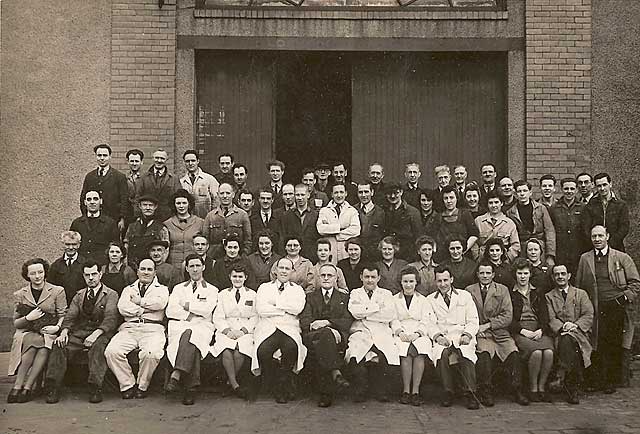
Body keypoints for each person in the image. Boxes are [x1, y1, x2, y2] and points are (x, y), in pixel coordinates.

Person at [575, 225, 640, 392]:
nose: (597, 239)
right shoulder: (585, 258)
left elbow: (635, 283)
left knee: (613, 342)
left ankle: (611, 381)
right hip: (594, 306)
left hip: (615, 307)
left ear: (608, 236)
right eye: (594, 236)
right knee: (596, 342)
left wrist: (623, 298)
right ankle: (596, 380)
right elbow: (579, 284)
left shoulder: (622, 257)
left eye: (600, 236)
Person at [45, 260, 119, 404]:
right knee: (59, 344)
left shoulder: (110, 294)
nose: (91, 278)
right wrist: (64, 332)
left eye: (94, 274)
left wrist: (96, 334)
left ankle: (95, 388)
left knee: (98, 348)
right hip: (80, 333)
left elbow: (110, 319)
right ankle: (53, 387)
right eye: (87, 275)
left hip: (101, 333)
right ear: (83, 276)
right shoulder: (79, 295)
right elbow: (70, 316)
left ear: (100, 274)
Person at [465, 261, 529, 407]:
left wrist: (488, 325)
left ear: (493, 274)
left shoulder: (502, 289)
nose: (485, 276)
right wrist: (477, 328)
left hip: (500, 332)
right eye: (482, 273)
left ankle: (517, 389)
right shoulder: (469, 290)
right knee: (485, 354)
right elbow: (466, 314)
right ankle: (486, 391)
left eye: (488, 273)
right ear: (477, 274)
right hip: (480, 333)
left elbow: (507, 315)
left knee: (512, 352)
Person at [105, 258, 169, 399]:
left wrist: (139, 302)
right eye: (143, 269)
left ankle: (142, 386)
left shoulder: (162, 289)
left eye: (149, 269)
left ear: (155, 272)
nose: (146, 272)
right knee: (112, 351)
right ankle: (127, 384)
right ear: (138, 271)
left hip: (153, 328)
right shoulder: (128, 289)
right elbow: (123, 308)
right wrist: (143, 310)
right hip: (129, 327)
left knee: (151, 353)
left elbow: (159, 304)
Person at [7, 259, 67, 404]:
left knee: (41, 343)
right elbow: (16, 323)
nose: (37, 276)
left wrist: (57, 327)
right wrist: (28, 317)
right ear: (27, 275)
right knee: (36, 342)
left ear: (45, 272)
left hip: (49, 330)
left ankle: (22, 387)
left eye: (40, 272)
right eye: (33, 273)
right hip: (26, 331)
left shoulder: (57, 291)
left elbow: (63, 314)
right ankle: (23, 386)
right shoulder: (20, 294)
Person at [251, 258, 307, 404]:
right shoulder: (264, 288)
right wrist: (285, 308)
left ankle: (282, 383)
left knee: (291, 347)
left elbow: (297, 309)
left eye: (287, 268)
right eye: (281, 268)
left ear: (292, 272)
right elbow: (261, 309)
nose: (283, 271)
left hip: (289, 326)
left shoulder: (297, 289)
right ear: (275, 270)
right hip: (268, 326)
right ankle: (277, 382)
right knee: (262, 351)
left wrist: (275, 304)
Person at [424, 265, 480, 410]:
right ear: (435, 281)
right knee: (441, 354)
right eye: (439, 281)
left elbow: (473, 319)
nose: (443, 284)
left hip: (462, 334)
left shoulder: (464, 296)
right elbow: (429, 323)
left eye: (445, 280)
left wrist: (467, 334)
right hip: (443, 336)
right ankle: (447, 392)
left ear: (452, 279)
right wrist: (437, 337)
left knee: (466, 353)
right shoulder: (430, 299)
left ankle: (470, 393)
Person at [165, 254, 218, 405]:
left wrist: (186, 305)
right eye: (192, 266)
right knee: (189, 339)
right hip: (181, 324)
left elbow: (207, 310)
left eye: (198, 265)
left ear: (204, 267)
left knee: (192, 335)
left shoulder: (212, 290)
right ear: (187, 269)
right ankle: (191, 388)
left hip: (203, 325)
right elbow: (171, 311)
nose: (195, 269)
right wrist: (190, 315)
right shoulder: (178, 288)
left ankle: (176, 374)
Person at [300, 263, 352, 407]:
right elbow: (305, 321)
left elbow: (348, 320)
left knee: (326, 337)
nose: (326, 278)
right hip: (313, 336)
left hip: (337, 335)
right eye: (323, 275)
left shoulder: (345, 297)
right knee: (325, 337)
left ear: (336, 278)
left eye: (330, 275)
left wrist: (327, 323)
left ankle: (326, 393)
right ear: (318, 277)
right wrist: (317, 326)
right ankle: (335, 372)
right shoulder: (310, 297)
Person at [345, 263, 399, 403]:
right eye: (367, 277)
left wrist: (365, 313)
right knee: (355, 354)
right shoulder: (355, 293)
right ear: (361, 277)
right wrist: (376, 307)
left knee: (383, 354)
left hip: (381, 331)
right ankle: (361, 389)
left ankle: (380, 390)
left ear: (378, 278)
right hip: (360, 330)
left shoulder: (386, 294)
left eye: (373, 277)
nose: (370, 280)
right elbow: (355, 312)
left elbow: (389, 315)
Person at [546, 264, 594, 404]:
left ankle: (561, 375)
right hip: (559, 334)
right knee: (567, 342)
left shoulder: (581, 294)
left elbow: (588, 314)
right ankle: (573, 388)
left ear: (569, 275)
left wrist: (576, 324)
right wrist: (561, 327)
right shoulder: (549, 296)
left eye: (563, 273)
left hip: (579, 333)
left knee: (570, 342)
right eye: (557, 274)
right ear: (553, 277)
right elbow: (551, 318)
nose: (560, 277)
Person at [509, 258, 554, 402]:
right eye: (520, 273)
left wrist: (541, 330)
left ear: (530, 275)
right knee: (535, 353)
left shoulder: (538, 292)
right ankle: (533, 388)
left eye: (525, 273)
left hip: (538, 329)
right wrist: (523, 332)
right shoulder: (511, 293)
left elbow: (544, 315)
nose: (522, 276)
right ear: (515, 274)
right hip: (521, 331)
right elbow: (509, 319)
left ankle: (542, 387)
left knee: (548, 352)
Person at [211, 264, 258, 400]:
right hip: (226, 329)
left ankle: (229, 383)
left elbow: (255, 316)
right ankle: (235, 385)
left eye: (240, 277)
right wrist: (227, 331)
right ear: (230, 277)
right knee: (226, 348)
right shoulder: (223, 294)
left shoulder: (252, 294)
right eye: (234, 276)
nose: (237, 279)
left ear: (245, 278)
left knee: (240, 350)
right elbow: (218, 316)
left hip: (245, 330)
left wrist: (243, 331)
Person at [391, 266, 433, 406]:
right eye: (405, 281)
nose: (408, 285)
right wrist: (400, 332)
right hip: (401, 332)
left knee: (419, 352)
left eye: (411, 281)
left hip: (419, 333)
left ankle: (415, 391)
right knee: (406, 353)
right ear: (401, 282)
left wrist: (417, 333)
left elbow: (426, 320)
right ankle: (406, 391)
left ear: (416, 282)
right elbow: (393, 318)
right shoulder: (394, 299)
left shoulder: (423, 300)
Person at [506, 180, 556, 267]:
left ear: (530, 193)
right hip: (522, 247)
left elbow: (550, 231)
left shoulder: (540, 208)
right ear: (515, 194)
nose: (522, 194)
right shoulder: (511, 212)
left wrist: (550, 255)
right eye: (519, 191)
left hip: (540, 246)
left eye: (525, 191)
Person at [80, 144, 128, 233]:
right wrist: (85, 216)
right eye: (99, 155)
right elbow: (83, 198)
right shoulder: (90, 176)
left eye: (105, 155)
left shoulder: (119, 177)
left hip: (113, 218)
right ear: (96, 157)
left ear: (110, 157)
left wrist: (122, 219)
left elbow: (124, 199)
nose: (102, 158)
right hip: (93, 219)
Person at [549, 177, 588, 275]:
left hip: (578, 251)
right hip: (560, 252)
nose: (569, 191)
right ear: (561, 189)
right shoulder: (553, 208)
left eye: (572, 189)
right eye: (566, 189)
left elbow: (586, 230)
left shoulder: (584, 208)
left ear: (576, 190)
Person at [581, 172, 629, 252]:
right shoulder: (591, 204)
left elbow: (624, 227)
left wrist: (610, 243)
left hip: (616, 247)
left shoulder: (621, 205)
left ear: (610, 184)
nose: (602, 188)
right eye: (599, 186)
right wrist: (596, 243)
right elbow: (586, 227)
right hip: (595, 248)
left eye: (604, 184)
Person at [71, 190, 120, 266]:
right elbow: (72, 244)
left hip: (102, 265)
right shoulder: (77, 223)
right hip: (81, 265)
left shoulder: (110, 223)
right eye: (89, 199)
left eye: (95, 199)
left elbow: (115, 245)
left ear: (101, 201)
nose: (92, 202)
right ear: (85, 202)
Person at [203, 183, 252, 258]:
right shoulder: (210, 216)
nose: (225, 196)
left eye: (228, 193)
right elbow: (205, 240)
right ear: (218, 194)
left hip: (237, 259)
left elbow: (248, 241)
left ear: (233, 195)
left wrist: (243, 256)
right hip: (215, 258)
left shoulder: (242, 215)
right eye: (222, 193)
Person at [317, 183, 361, 264]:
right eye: (336, 192)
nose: (339, 195)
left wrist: (334, 234)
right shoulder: (324, 210)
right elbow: (321, 229)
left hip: (345, 250)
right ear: (332, 194)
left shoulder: (352, 210)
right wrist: (340, 227)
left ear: (346, 193)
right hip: (330, 249)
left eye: (341, 192)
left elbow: (356, 230)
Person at [123, 193, 169, 269]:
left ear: (155, 207)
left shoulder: (161, 228)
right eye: (145, 205)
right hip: (133, 267)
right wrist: (127, 265)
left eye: (150, 205)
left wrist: (158, 267)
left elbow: (166, 250)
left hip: (151, 268)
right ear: (140, 206)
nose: (148, 208)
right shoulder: (132, 227)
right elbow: (126, 247)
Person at [434, 185, 478, 262]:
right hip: (444, 257)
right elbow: (432, 237)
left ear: (456, 198)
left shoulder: (465, 214)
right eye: (445, 198)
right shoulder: (438, 217)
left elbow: (474, 234)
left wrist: (462, 250)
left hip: (463, 255)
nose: (449, 201)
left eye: (451, 197)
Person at [135, 149, 181, 222]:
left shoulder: (174, 179)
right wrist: (138, 216)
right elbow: (137, 197)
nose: (159, 160)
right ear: (153, 158)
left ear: (166, 160)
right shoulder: (143, 177)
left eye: (162, 158)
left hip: (167, 218)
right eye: (157, 158)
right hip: (147, 217)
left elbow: (179, 198)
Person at [475, 190, 520, 262]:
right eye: (490, 203)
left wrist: (507, 259)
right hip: (483, 261)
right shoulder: (479, 221)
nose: (493, 205)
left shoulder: (509, 223)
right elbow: (474, 242)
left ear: (501, 203)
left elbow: (516, 245)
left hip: (502, 260)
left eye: (496, 202)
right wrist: (477, 258)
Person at [164, 189, 205, 268]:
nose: (181, 206)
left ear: (189, 204)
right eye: (178, 203)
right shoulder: (167, 224)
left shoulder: (200, 223)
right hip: (172, 265)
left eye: (184, 203)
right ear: (174, 205)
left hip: (193, 265)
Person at [279, 184, 320, 262]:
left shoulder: (315, 215)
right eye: (297, 195)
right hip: (292, 256)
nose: (300, 198)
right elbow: (282, 237)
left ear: (308, 195)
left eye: (302, 195)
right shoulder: (286, 215)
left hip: (311, 256)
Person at [383, 182, 422, 261]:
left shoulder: (412, 212)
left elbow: (418, 236)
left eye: (396, 193)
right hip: (389, 254)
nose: (393, 196)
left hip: (407, 255)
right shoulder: (384, 211)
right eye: (389, 193)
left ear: (401, 192)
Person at [47, 231, 88, 304]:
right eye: (67, 244)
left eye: (74, 244)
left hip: (80, 304)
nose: (71, 247)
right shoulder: (55, 265)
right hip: (61, 304)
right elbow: (50, 287)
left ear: (79, 245)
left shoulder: (85, 264)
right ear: (63, 245)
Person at [179, 150, 219, 218]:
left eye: (193, 160)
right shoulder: (181, 182)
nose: (190, 163)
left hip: (206, 219)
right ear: (184, 163)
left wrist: (212, 217)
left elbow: (217, 200)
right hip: (188, 221)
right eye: (187, 161)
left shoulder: (209, 179)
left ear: (198, 161)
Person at [356, 181, 386, 261]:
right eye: (360, 192)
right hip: (357, 253)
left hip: (374, 255)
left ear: (372, 192)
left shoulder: (381, 212)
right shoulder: (352, 210)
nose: (363, 195)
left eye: (366, 192)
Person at [125, 149, 144, 225]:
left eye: (137, 161)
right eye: (132, 161)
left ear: (141, 162)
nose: (134, 163)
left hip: (142, 214)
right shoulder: (123, 178)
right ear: (128, 162)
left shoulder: (146, 178)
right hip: (127, 215)